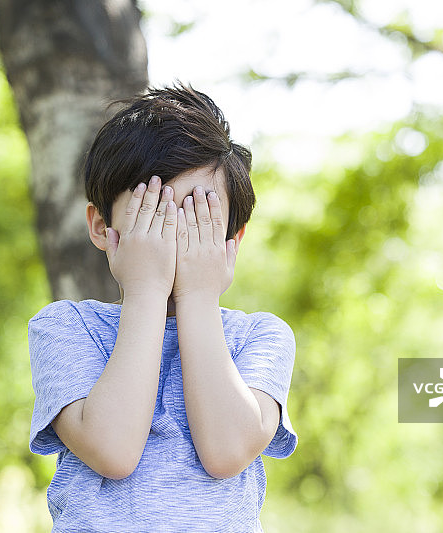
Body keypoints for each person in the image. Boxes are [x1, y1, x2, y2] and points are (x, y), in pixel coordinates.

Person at [28, 84, 297, 532]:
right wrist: (145, 292)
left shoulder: (260, 337)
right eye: (154, 215)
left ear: (232, 239)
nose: (174, 235)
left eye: (197, 216)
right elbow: (112, 451)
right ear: (102, 226)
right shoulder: (66, 327)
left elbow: (228, 452)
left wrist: (199, 298)